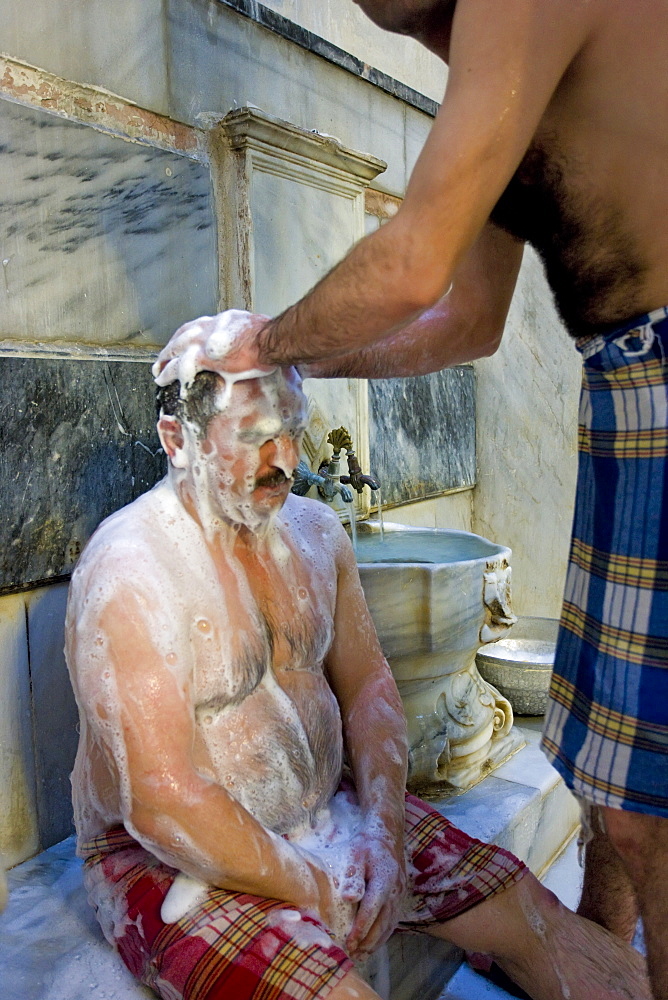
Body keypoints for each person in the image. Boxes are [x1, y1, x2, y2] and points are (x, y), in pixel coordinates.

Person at [155, 2, 668, 995]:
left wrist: (259, 349)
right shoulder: (488, 76)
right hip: (624, 388)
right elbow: (462, 320)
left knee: (646, 808)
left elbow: (410, 264)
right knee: (613, 774)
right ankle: (608, 965)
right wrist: (287, 366)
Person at [66, 311, 650, 1000]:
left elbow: (370, 688)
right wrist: (312, 883)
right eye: (255, 438)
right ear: (178, 440)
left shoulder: (314, 535)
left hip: (324, 813)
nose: (284, 459)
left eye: (292, 430)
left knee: (535, 915)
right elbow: (163, 802)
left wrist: (379, 829)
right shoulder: (130, 571)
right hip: (168, 863)